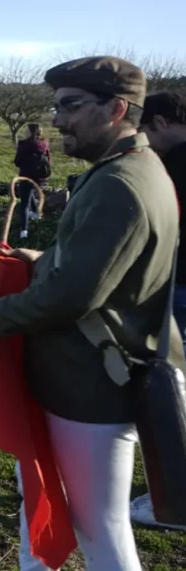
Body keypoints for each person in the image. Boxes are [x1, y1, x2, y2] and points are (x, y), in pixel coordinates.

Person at [0, 57, 183, 570]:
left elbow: (74, 298)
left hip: (90, 386)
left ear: (116, 108)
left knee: (100, 529)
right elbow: (108, 267)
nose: (59, 119)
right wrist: (46, 260)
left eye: (71, 105)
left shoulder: (119, 183)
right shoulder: (132, 168)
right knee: (56, 514)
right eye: (57, 105)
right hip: (85, 379)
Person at [129, 90, 186, 531]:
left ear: (163, 122)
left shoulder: (180, 164)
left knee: (172, 389)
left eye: (147, 129)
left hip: (181, 282)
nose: (145, 140)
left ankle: (172, 499)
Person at [13, 123, 52, 239]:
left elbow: (17, 161)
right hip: (41, 177)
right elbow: (48, 160)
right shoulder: (44, 144)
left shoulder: (24, 144)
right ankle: (36, 214)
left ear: (30, 132)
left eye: (26, 130)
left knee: (24, 203)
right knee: (29, 193)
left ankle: (24, 231)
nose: (24, 131)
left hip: (26, 176)